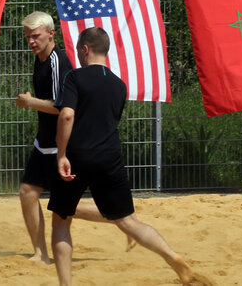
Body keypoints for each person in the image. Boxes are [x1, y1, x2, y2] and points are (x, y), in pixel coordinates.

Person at [50, 27, 196, 285]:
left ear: (85, 50)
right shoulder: (120, 85)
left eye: (79, 50)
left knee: (61, 220)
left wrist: (61, 153)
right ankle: (172, 256)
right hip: (110, 156)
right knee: (127, 220)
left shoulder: (74, 77)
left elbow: (67, 115)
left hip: (78, 155)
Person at [15, 11, 130, 264]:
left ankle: (122, 218)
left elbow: (61, 107)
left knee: (61, 205)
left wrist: (30, 102)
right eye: (28, 37)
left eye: (35, 36)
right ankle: (40, 253)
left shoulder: (59, 62)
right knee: (29, 193)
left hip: (59, 145)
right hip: (44, 142)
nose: (31, 41)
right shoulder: (41, 58)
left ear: (51, 33)